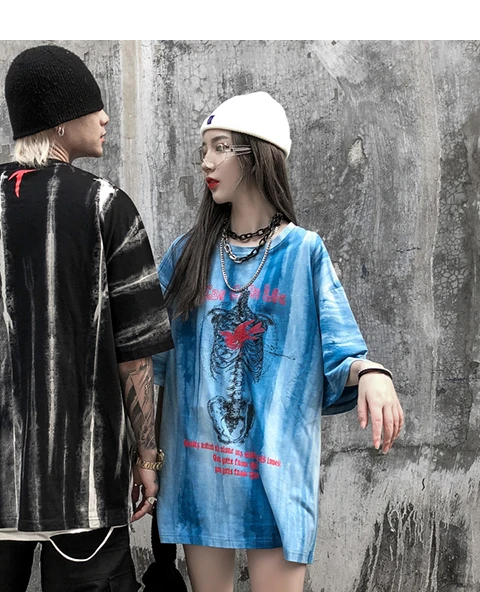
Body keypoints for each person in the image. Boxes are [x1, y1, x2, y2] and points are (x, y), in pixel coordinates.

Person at [0, 44, 173, 592]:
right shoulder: (107, 207)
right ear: (60, 121)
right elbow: (134, 357)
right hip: (83, 479)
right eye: (93, 106)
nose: (105, 118)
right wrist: (148, 455)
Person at [152, 91, 404, 592]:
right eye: (204, 148)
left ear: (257, 155)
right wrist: (143, 454)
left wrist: (372, 372)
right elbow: (148, 359)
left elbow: (341, 351)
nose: (206, 162)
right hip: (200, 476)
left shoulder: (303, 252)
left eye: (220, 147)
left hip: (276, 476)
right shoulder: (187, 254)